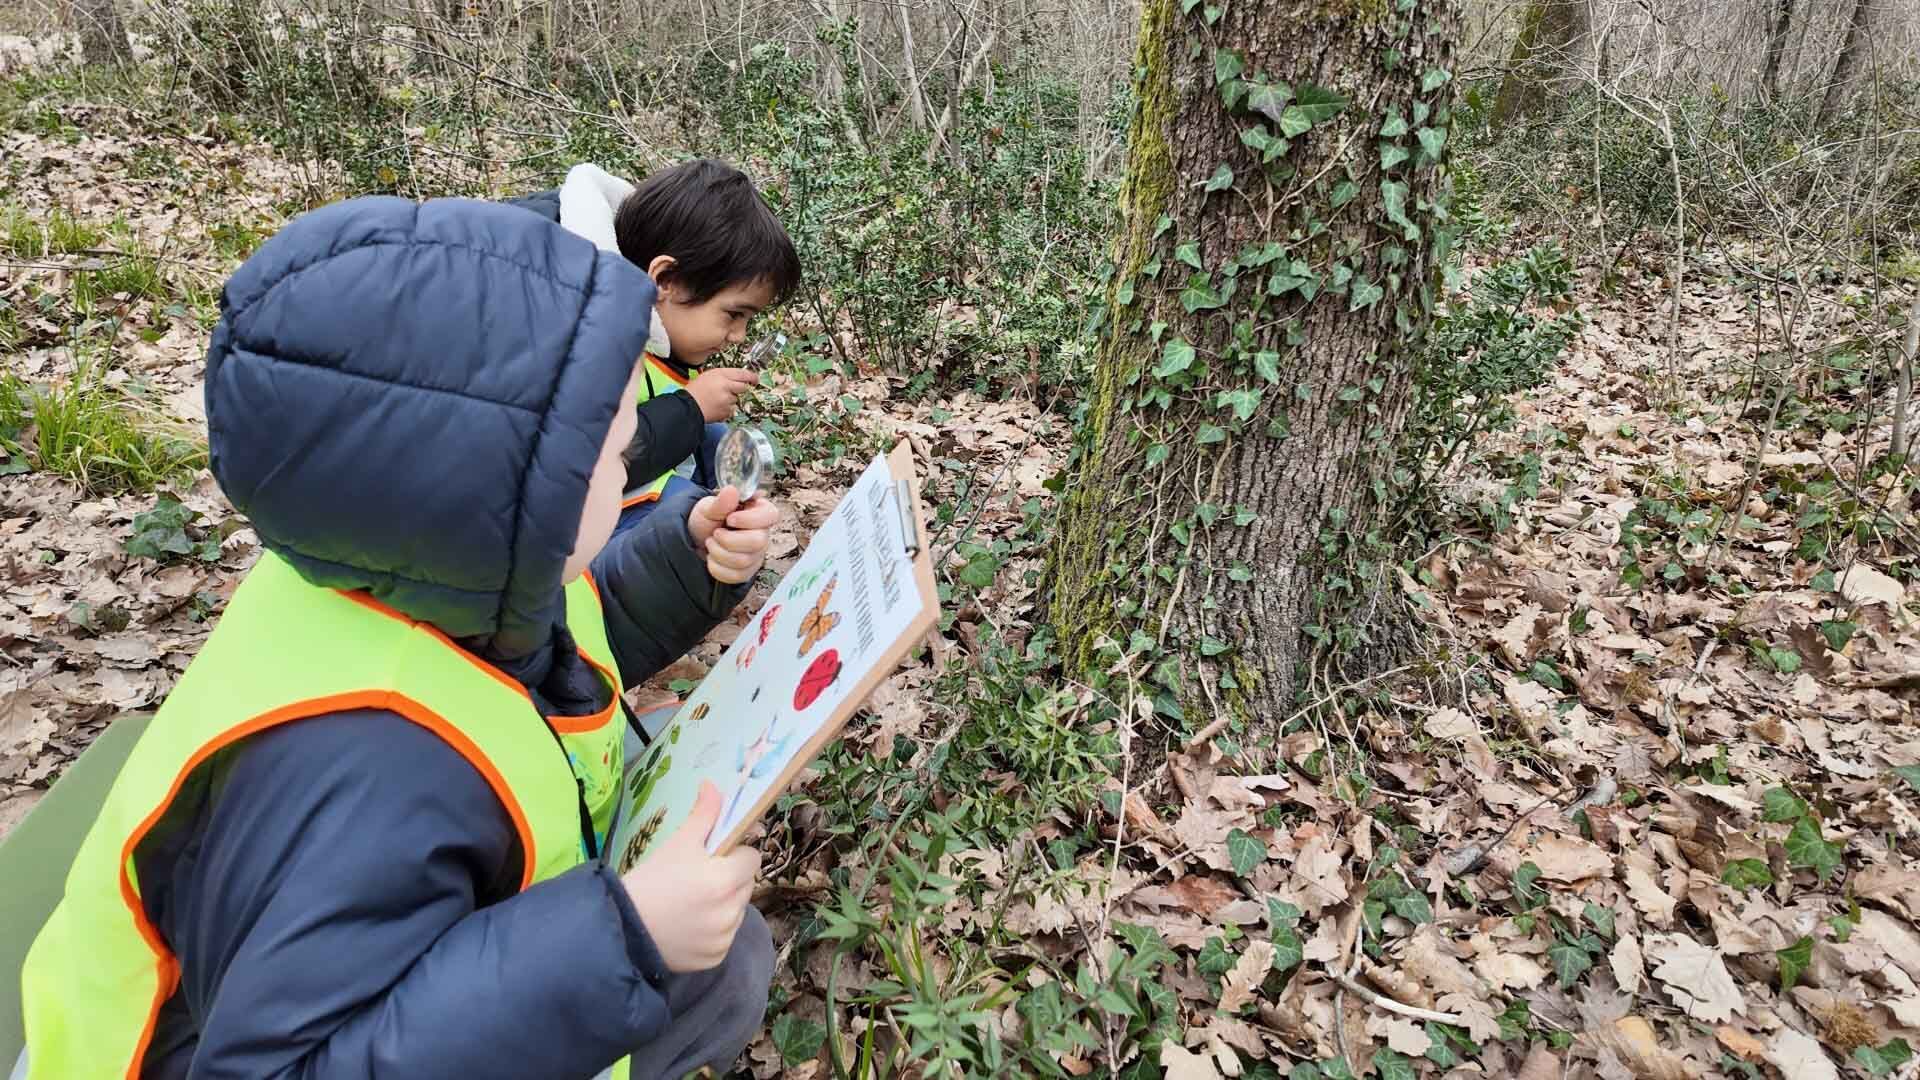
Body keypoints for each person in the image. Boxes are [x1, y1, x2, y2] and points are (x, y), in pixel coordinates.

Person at [16, 196, 781, 1079]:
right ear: (502, 494)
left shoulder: (405, 563)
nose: (628, 467)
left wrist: (687, 561)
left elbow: (542, 654)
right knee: (714, 968)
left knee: (728, 959)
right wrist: (620, 942)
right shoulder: (369, 765)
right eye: (611, 456)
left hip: (393, 947)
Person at [508, 159, 802, 536]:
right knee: (689, 500)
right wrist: (691, 407)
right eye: (734, 314)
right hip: (557, 525)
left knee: (714, 437)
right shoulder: (578, 329)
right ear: (665, 280)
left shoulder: (648, 320)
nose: (739, 335)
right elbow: (588, 461)